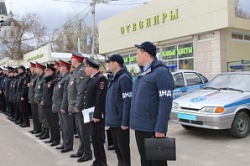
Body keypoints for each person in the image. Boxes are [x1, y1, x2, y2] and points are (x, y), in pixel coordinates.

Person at [131, 41, 174, 166]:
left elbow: (165, 102)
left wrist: (160, 128)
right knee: (145, 161)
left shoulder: (161, 72)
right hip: (140, 126)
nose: (136, 56)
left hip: (152, 128)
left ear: (146, 55)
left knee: (157, 162)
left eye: (137, 53)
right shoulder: (142, 73)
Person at [105, 54, 132, 166]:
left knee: (123, 149)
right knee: (117, 148)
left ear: (115, 63)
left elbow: (127, 101)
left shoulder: (124, 78)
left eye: (109, 63)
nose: (108, 65)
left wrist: (125, 122)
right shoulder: (114, 77)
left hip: (120, 121)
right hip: (113, 120)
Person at [68, 50, 92, 162]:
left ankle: (87, 152)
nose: (71, 60)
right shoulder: (76, 72)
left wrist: (78, 106)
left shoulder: (81, 72)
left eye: (72, 58)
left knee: (84, 130)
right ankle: (81, 150)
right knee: (79, 129)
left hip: (81, 107)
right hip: (76, 106)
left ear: (76, 59)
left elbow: (81, 91)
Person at [84, 57, 108, 166]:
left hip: (96, 115)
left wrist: (97, 114)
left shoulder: (101, 79)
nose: (85, 69)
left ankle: (101, 163)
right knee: (94, 139)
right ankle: (97, 161)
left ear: (90, 67)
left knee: (98, 140)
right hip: (90, 113)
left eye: (86, 67)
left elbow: (100, 98)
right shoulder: (92, 79)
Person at [53, 59, 74, 153]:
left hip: (64, 106)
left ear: (65, 67)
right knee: (63, 125)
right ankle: (65, 143)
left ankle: (68, 145)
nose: (59, 67)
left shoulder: (68, 77)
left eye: (61, 66)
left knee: (67, 126)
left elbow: (66, 94)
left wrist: (63, 106)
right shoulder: (62, 77)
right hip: (59, 105)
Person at [42, 63, 60, 146]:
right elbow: (45, 92)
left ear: (52, 71)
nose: (46, 71)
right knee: (50, 122)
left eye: (47, 70)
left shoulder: (55, 80)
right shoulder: (47, 79)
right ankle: (52, 137)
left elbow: (55, 94)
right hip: (47, 103)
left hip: (52, 104)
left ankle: (56, 139)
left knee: (54, 123)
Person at [28, 62, 42, 134]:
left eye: (31, 67)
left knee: (37, 115)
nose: (30, 69)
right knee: (34, 115)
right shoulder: (33, 76)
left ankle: (38, 128)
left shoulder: (37, 77)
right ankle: (35, 128)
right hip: (32, 98)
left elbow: (36, 89)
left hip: (35, 99)